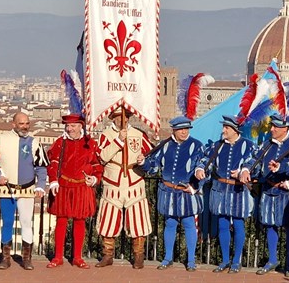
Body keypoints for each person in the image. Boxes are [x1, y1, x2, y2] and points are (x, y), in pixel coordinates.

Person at [141, 116, 204, 272]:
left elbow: (202, 165)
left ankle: (190, 260)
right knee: (170, 224)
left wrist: (196, 181)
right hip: (168, 191)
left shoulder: (197, 145)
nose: (184, 132)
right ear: (174, 130)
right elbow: (154, 165)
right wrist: (143, 163)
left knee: (189, 224)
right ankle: (167, 258)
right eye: (180, 129)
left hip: (186, 192)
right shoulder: (165, 145)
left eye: (186, 129)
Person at [194, 115, 255, 274]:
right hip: (220, 190)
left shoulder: (248, 146)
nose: (223, 130)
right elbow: (205, 160)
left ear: (235, 130)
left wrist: (244, 170)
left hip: (238, 191)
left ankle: (236, 261)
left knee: (238, 225)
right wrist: (200, 169)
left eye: (226, 128)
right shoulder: (217, 145)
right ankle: (225, 260)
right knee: (222, 225)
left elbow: (254, 162)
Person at [95, 108, 153, 269]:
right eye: (120, 117)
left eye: (126, 117)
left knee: (138, 220)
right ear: (113, 119)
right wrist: (119, 141)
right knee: (108, 219)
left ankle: (139, 256)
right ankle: (107, 255)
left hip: (134, 180)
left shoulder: (139, 134)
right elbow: (102, 157)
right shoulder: (106, 135)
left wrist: (143, 161)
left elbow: (151, 157)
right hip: (113, 181)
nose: (124, 120)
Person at [240, 114, 289, 275]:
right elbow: (253, 159)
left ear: (285, 128)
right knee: (269, 224)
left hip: (286, 192)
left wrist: (282, 169)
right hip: (267, 189)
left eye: (276, 127)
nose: (271, 129)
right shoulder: (266, 144)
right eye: (272, 126)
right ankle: (272, 260)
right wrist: (245, 170)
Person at [0, 112, 48, 270]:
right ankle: (5, 258)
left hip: (27, 189)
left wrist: (40, 186)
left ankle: (26, 258)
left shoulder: (34, 142)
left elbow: (41, 167)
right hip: (6, 189)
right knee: (7, 222)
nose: (25, 126)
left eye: (27, 123)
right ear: (13, 124)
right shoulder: (0, 140)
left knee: (26, 223)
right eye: (21, 123)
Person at [46, 114, 102, 269]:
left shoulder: (90, 143)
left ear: (80, 126)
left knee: (80, 220)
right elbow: (53, 163)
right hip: (63, 186)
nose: (69, 129)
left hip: (82, 187)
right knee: (61, 220)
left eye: (72, 126)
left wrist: (95, 179)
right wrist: (53, 180)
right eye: (67, 126)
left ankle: (77, 257)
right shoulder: (60, 143)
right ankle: (58, 257)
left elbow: (97, 165)